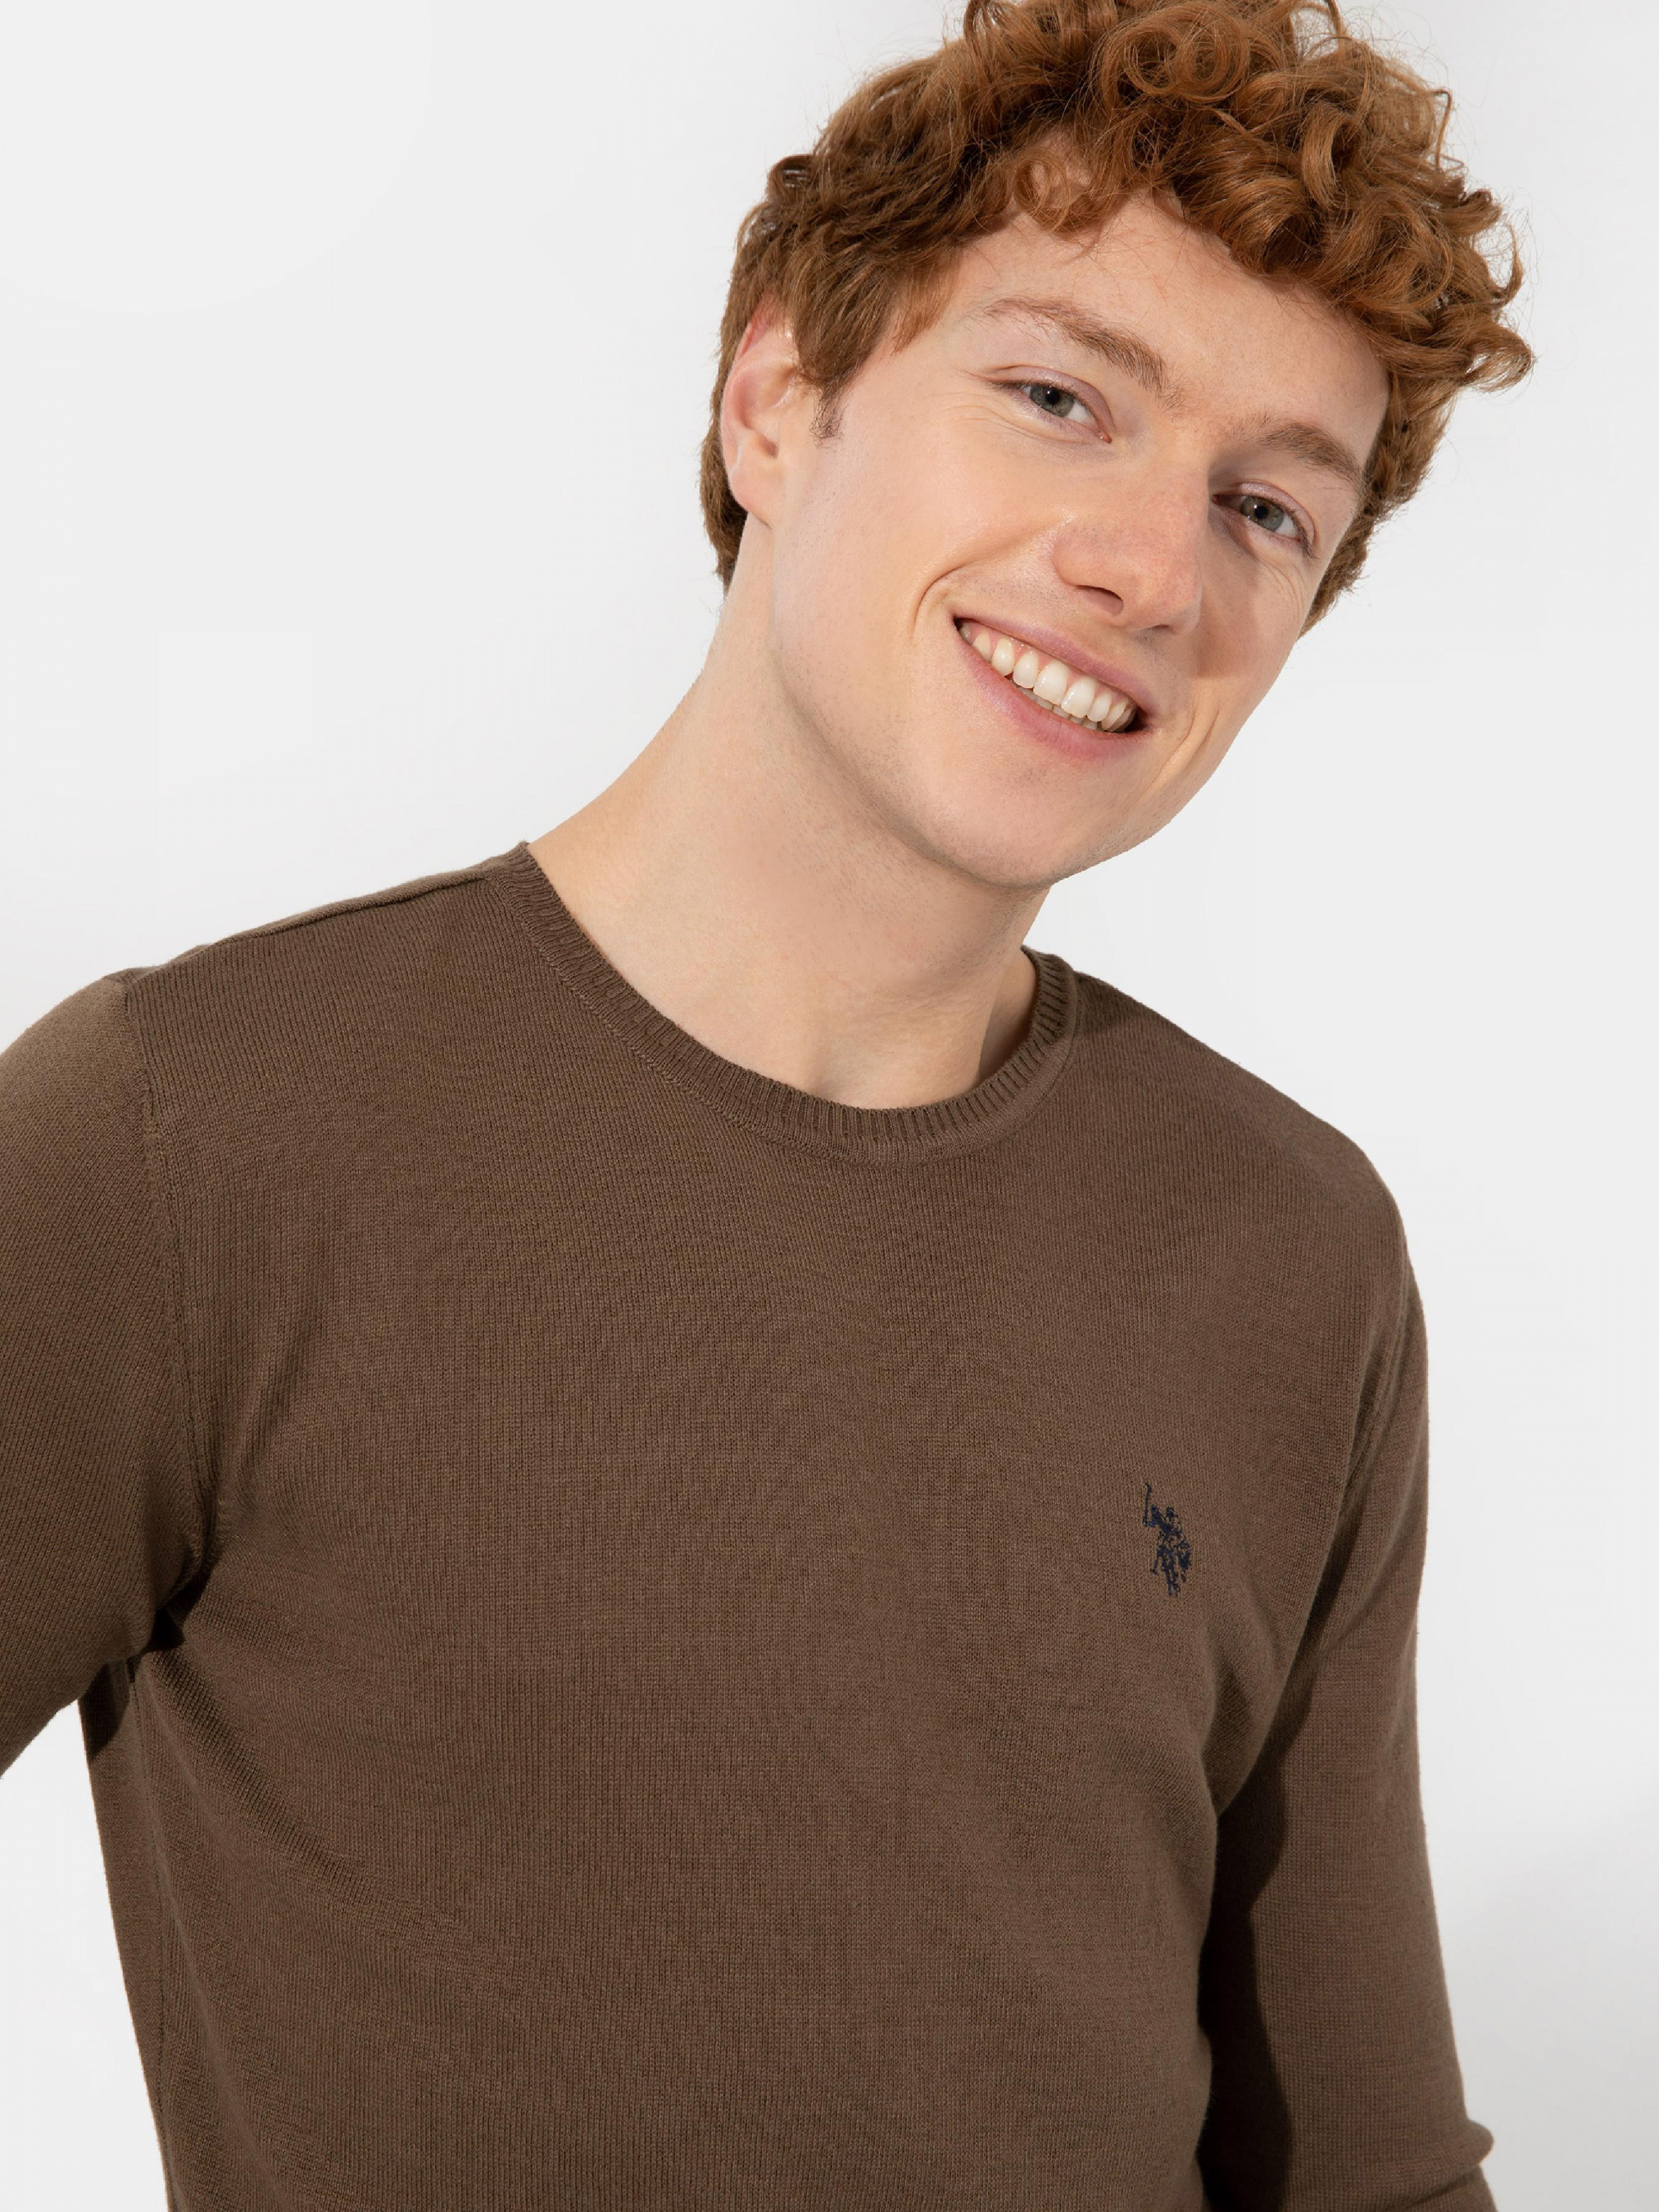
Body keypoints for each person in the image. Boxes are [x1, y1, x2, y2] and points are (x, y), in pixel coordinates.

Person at [1, 2, 1531, 2205]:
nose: (1151, 566)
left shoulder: (1285, 1250)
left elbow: (1363, 2173)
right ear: (777, 398)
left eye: (1266, 509)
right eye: (1056, 398)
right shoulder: (192, 1140)